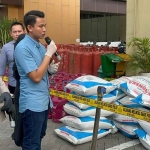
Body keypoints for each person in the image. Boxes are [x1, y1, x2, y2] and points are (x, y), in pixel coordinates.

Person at [14, 10, 59, 150]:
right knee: (31, 143)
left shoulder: (39, 46)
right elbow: (36, 77)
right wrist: (49, 53)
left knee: (39, 136)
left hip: (43, 101)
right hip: (32, 104)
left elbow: (41, 70)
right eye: (40, 26)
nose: (44, 29)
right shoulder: (22, 48)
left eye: (45, 25)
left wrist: (50, 70)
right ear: (30, 27)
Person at [0, 21, 25, 95]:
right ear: (11, 33)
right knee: (14, 106)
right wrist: (2, 88)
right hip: (13, 85)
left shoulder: (29, 45)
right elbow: (2, 67)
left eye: (19, 31)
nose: (17, 34)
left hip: (28, 85)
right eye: (14, 32)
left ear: (24, 32)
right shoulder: (6, 47)